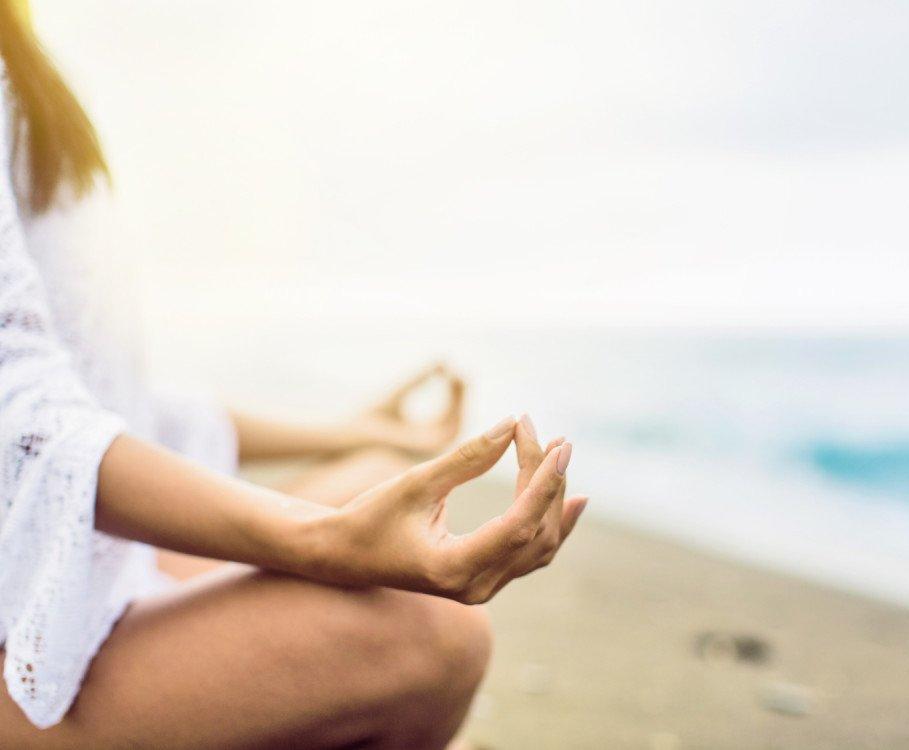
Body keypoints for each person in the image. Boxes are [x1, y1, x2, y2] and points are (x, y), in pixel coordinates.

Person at [0, 2, 587, 747]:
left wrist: (354, 430)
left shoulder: (23, 63)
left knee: (368, 472)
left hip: (57, 580)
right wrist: (323, 542)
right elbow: (18, 421)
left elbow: (101, 396)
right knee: (431, 639)